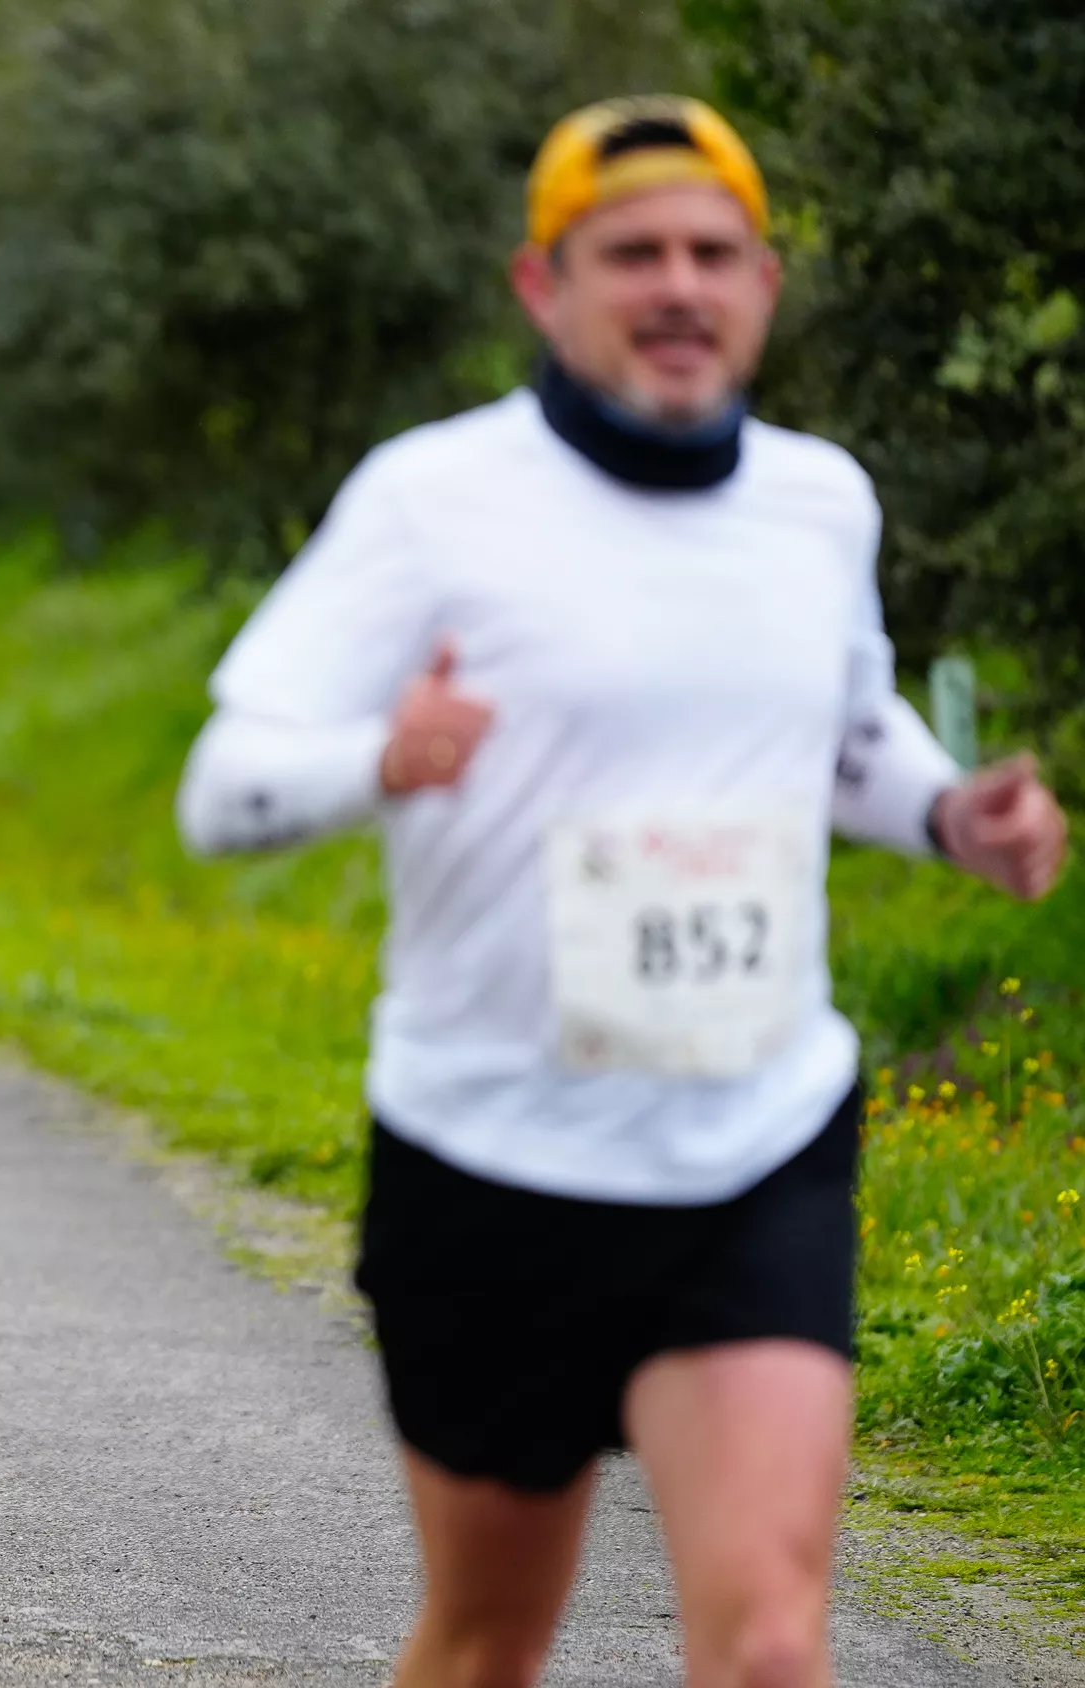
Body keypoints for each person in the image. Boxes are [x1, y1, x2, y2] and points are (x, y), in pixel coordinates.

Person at [175, 97, 1068, 1688]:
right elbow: (225, 788)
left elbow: (847, 732)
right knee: (489, 1638)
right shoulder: (433, 497)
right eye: (634, 253)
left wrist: (947, 812)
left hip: (755, 1136)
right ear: (545, 285)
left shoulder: (819, 501)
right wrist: (383, 757)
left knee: (776, 1642)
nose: (680, 287)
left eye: (714, 254)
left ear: (766, 285)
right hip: (492, 1150)